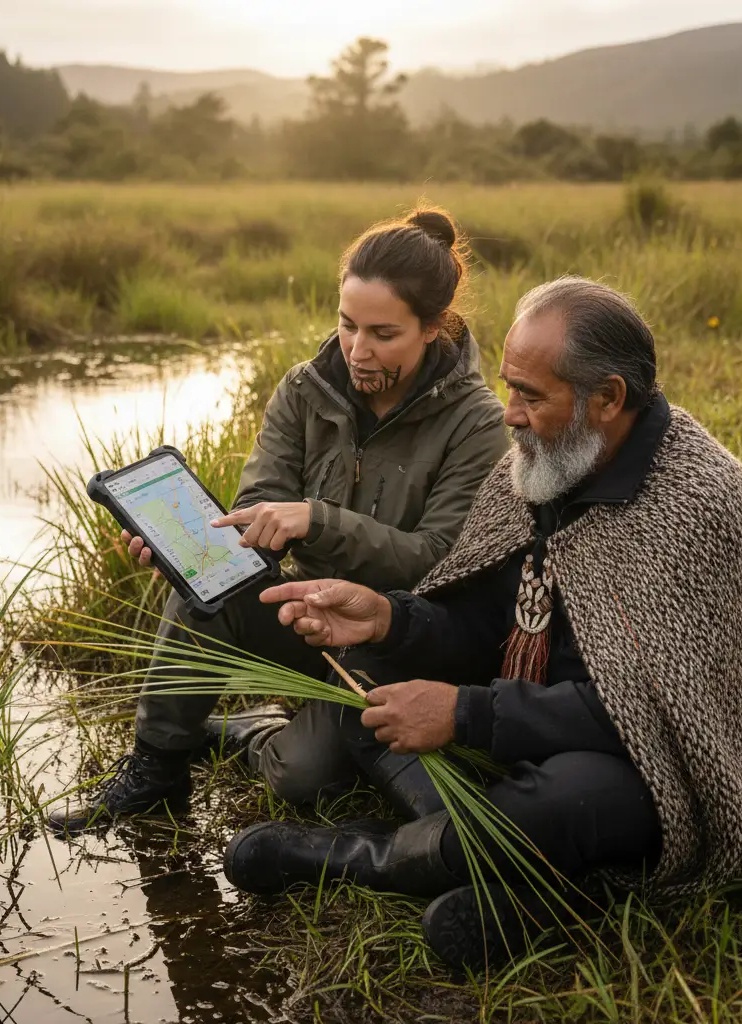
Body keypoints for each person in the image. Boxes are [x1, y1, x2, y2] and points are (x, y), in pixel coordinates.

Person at [223, 276, 742, 969]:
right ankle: (534, 886)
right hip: (524, 719)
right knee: (365, 671)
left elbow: (659, 716)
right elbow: (482, 625)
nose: (510, 414)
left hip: (650, 770)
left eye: (531, 396)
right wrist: (389, 618)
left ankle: (367, 854)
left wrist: (465, 715)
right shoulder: (536, 466)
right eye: (509, 386)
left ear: (608, 398)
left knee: (568, 801)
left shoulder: (701, 504)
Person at [48, 207, 508, 834]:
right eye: (347, 325)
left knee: (299, 777)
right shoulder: (305, 389)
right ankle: (157, 771)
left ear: (432, 328)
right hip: (308, 616)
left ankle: (252, 729)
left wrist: (317, 521)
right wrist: (185, 547)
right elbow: (259, 507)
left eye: (383, 333)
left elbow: (437, 559)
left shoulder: (479, 422)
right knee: (205, 584)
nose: (357, 350)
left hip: (400, 641)